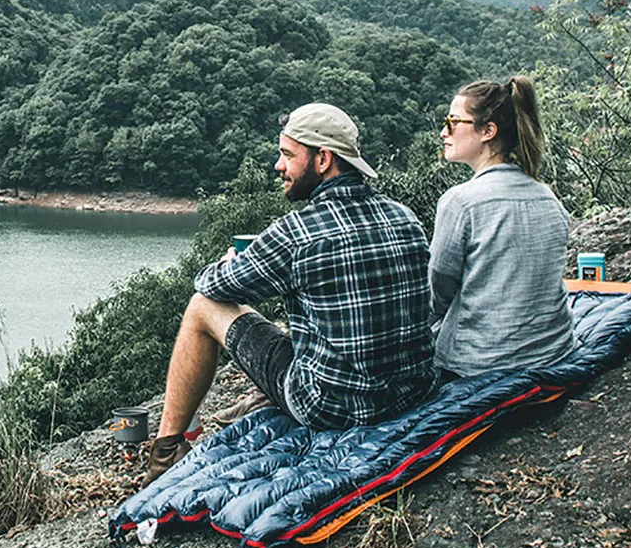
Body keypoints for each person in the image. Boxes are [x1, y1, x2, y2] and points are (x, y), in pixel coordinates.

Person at [144, 102, 438, 486]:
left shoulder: (297, 231)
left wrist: (227, 262)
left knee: (202, 307)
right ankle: (256, 402)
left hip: (331, 406)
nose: (279, 166)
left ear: (323, 160)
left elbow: (212, 286)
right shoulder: (404, 216)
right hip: (410, 394)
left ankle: (165, 452)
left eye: (287, 155)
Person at [428, 77, 575, 380]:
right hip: (553, 352)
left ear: (488, 131)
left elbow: (437, 293)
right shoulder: (547, 196)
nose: (444, 131)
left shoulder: (461, 202)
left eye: (453, 122)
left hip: (480, 363)